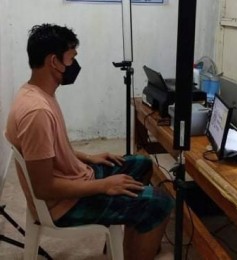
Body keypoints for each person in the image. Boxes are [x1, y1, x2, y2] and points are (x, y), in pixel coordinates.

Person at [6, 23, 174, 260]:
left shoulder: (37, 93)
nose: (74, 64)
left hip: (74, 178)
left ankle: (127, 245)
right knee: (160, 202)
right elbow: (44, 187)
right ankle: (136, 246)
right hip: (64, 205)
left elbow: (51, 151)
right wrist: (104, 185)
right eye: (71, 58)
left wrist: (89, 157)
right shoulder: (37, 112)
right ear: (54, 61)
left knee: (142, 164)